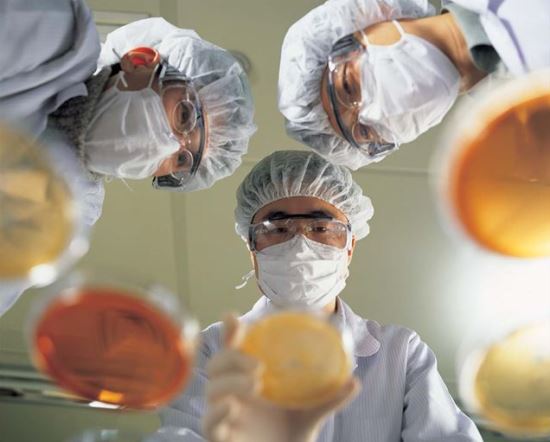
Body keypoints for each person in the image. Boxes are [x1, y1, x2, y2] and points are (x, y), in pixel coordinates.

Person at [158, 150, 483, 441]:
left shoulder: (401, 355)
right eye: (277, 229)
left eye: (321, 228)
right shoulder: (210, 353)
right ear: (252, 249)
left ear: (350, 247)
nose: (300, 246)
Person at [0, 1, 255, 314]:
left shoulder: (76, 206)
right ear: (140, 60)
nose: (170, 145)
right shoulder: (59, 37)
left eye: (182, 160)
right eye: (184, 115)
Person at [278, 0, 549, 171]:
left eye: (348, 86)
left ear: (373, 13)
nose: (371, 112)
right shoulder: (528, 131)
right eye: (363, 131)